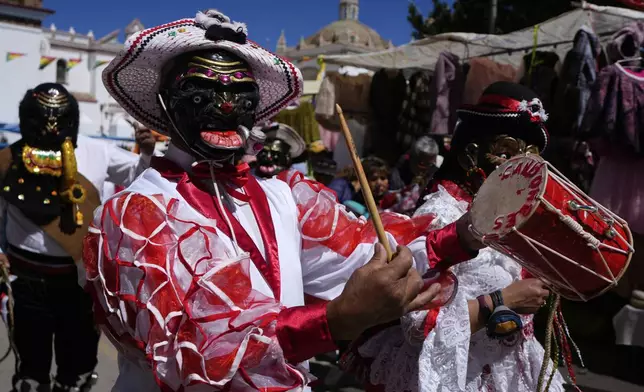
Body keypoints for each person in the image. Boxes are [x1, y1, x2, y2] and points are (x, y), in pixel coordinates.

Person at [83, 10, 484, 391]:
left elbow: (368, 257)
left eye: (241, 93)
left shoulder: (282, 195)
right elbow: (205, 348)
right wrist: (338, 319)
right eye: (201, 91)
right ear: (165, 104)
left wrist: (466, 233)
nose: (226, 106)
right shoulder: (135, 214)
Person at [342, 82, 565, 392]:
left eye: (529, 156)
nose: (518, 167)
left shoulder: (512, 218)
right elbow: (418, 324)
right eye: (506, 152)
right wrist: (504, 301)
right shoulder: (441, 218)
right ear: (471, 155)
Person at [0, 83, 155, 392]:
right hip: (25, 280)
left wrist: (148, 150)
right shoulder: (8, 158)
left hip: (79, 283)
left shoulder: (98, 150)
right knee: (31, 368)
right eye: (43, 118)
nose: (51, 127)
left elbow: (140, 176)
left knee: (77, 367)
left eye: (58, 119)